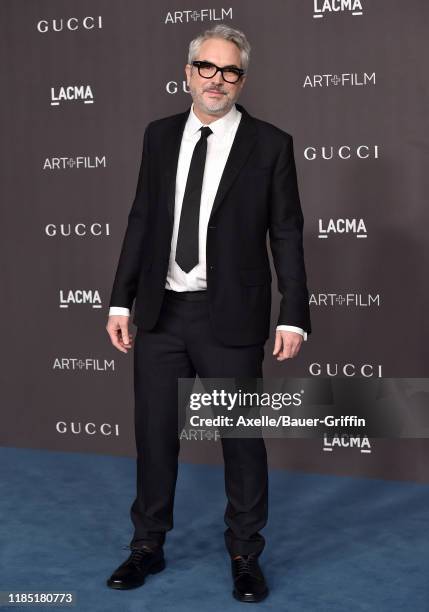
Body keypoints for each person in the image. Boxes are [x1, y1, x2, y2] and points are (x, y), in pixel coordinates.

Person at [105, 24, 311, 603]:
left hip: (232, 317)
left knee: (241, 442)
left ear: (242, 79)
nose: (218, 79)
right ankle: (147, 545)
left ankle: (245, 553)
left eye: (231, 71)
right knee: (154, 436)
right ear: (188, 72)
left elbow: (287, 233)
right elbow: (142, 219)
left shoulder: (270, 144)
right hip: (162, 313)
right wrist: (121, 299)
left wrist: (293, 313)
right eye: (207, 68)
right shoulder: (159, 134)